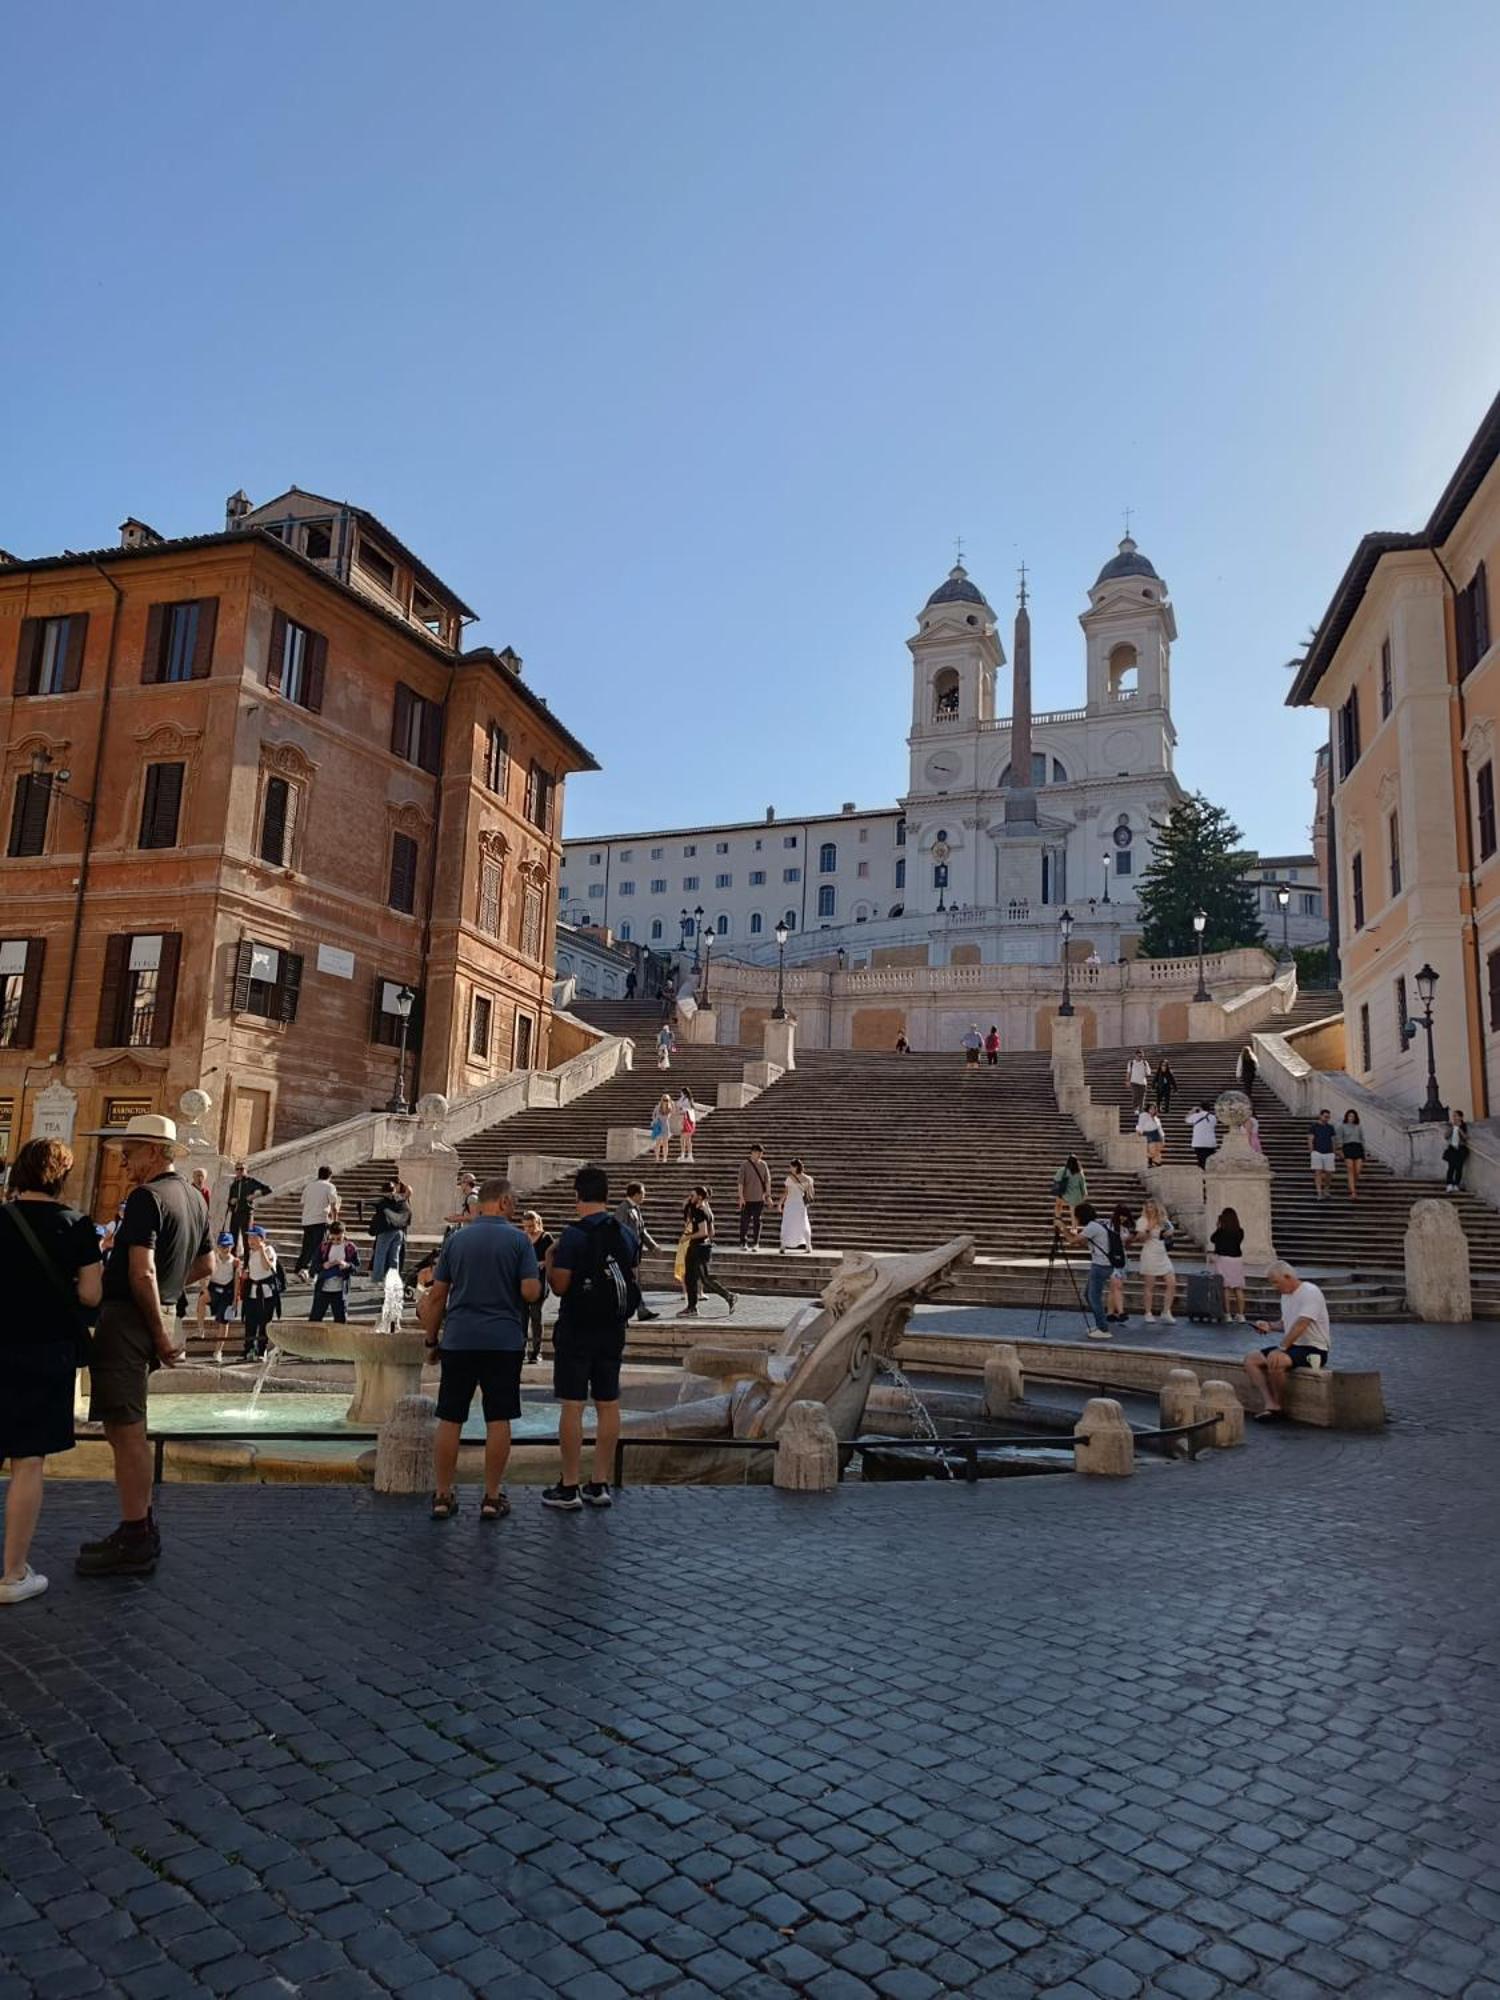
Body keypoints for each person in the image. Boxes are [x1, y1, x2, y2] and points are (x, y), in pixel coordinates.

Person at [75, 1114, 211, 1578]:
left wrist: (155, 1328)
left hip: (129, 1321)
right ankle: (138, 1524)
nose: (125, 1161)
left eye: (130, 1152)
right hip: (153, 1315)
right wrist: (169, 1300)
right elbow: (206, 1264)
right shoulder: (194, 1197)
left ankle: (136, 1534)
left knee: (126, 1428)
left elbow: (142, 1272)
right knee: (125, 1424)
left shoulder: (145, 1198)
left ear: (155, 1152)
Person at [0, 1140, 104, 1605]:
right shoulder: (76, 1225)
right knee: (28, 1462)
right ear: (61, 1176)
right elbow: (91, 1296)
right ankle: (13, 1573)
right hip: (45, 1352)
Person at [420, 1176, 541, 1520]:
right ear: (502, 1202)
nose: (515, 1207)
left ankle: (443, 1494)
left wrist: (432, 1340)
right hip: (503, 1341)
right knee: (499, 1418)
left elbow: (437, 1296)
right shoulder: (519, 1241)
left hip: (459, 1338)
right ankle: (491, 1496)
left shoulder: (457, 1241)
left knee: (450, 1417)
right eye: (513, 1201)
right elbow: (531, 1292)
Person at [546, 1163, 642, 1509]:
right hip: (613, 1328)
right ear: (606, 1195)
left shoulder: (573, 1236)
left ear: (577, 1196)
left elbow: (560, 1286)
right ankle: (599, 1482)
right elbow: (631, 1277)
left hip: (577, 1327)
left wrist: (548, 1260)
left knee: (573, 1405)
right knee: (608, 1403)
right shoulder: (625, 1234)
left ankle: (569, 1485)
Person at [1245, 1262, 1331, 1421]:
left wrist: (1281, 1348)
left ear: (1288, 1277)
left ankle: (1278, 1406)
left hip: (1314, 1349)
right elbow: (1287, 1323)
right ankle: (1269, 1402)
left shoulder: (1310, 1292)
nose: (1273, 1286)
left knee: (1277, 1359)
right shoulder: (1286, 1295)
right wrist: (1269, 1326)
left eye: (1275, 1282)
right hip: (1294, 1346)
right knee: (1251, 1359)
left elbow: (1301, 1324)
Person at [679, 1184, 736, 1316]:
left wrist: (687, 1237)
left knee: (705, 1279)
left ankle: (729, 1296)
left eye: (692, 1195)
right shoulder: (706, 1209)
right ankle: (692, 1307)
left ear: (699, 1197)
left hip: (699, 1248)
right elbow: (712, 1232)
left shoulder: (700, 1212)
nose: (689, 1197)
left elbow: (704, 1232)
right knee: (690, 1277)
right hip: (699, 1247)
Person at [613, 1182, 662, 1322]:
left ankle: (640, 1310)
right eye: (643, 1194)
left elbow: (642, 1231)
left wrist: (652, 1246)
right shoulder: (623, 1209)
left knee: (634, 1282)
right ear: (635, 1194)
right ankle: (632, 1310)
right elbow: (617, 1232)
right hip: (626, 1254)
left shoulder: (636, 1209)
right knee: (630, 1283)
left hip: (634, 1253)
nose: (644, 1197)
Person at [1065, 1202, 1114, 1339]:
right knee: (1088, 1295)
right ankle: (1100, 1324)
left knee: (1094, 1298)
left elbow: (1072, 1241)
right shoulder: (1097, 1225)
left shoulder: (1092, 1227)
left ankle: (1103, 1329)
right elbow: (1083, 1242)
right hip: (1102, 1264)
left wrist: (1062, 1228)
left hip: (1100, 1266)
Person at [240, 1227, 281, 1360]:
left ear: (261, 1239)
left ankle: (261, 1350)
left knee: (264, 1322)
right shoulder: (251, 1253)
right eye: (249, 1238)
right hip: (252, 1292)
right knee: (250, 1322)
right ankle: (249, 1349)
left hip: (266, 1293)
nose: (250, 1241)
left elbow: (266, 1267)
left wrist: (262, 1249)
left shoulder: (269, 1250)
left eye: (253, 1237)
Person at [520, 1210, 556, 1359]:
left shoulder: (546, 1238)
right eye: (526, 1226)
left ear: (537, 1223)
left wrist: (543, 1263)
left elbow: (555, 1256)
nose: (529, 1229)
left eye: (531, 1226)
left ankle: (536, 1351)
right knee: (522, 1317)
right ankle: (520, 1350)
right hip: (523, 1280)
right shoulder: (522, 1238)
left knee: (536, 1316)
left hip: (539, 1280)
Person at [1134, 1201, 1177, 1323]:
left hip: (1162, 1253)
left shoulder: (1163, 1220)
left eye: (1152, 1207)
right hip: (1150, 1253)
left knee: (1172, 1282)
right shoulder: (1142, 1220)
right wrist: (1149, 1229)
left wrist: (1167, 1231)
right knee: (1149, 1285)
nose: (1149, 1209)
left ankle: (1166, 1311)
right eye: (1147, 1207)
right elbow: (1140, 1238)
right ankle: (1148, 1312)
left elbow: (1171, 1230)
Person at [295, 1165, 340, 1280]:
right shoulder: (330, 1187)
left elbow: (303, 1202)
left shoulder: (309, 1186)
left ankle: (300, 1269)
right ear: (330, 1176)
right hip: (320, 1220)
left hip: (307, 1220)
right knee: (319, 1248)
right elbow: (334, 1206)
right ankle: (312, 1273)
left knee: (307, 1247)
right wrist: (335, 1221)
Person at [310, 1223, 358, 1323]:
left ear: (344, 1235)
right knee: (315, 1318)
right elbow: (313, 1267)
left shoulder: (350, 1248)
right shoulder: (323, 1247)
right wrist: (323, 1265)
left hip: (340, 1290)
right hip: (323, 1289)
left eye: (339, 1239)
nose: (335, 1242)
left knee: (340, 1319)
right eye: (332, 1239)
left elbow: (356, 1267)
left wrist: (347, 1265)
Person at [224, 1160, 271, 1257]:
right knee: (233, 1240)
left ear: (246, 1170)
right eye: (237, 1169)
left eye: (242, 1169)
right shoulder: (234, 1184)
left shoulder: (251, 1181)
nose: (240, 1171)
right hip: (235, 1214)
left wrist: (254, 1196)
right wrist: (231, 1202)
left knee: (247, 1241)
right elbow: (229, 1201)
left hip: (246, 1214)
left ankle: (246, 1265)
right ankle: (234, 1264)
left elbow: (268, 1189)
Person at [369, 1179, 412, 1285]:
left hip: (386, 1231)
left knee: (380, 1255)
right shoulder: (401, 1199)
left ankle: (377, 1279)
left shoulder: (384, 1202)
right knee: (394, 1257)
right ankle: (393, 1280)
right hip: (399, 1231)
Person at [1210, 1207, 1248, 1323]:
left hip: (1223, 1259)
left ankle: (1227, 1314)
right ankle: (1241, 1315)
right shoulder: (1240, 1231)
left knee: (1225, 1288)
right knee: (1238, 1288)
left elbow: (1213, 1239)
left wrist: (1218, 1227)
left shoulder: (1221, 1231)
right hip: (1236, 1259)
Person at [1105, 1202, 1134, 1325]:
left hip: (1121, 1258)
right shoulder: (1109, 1225)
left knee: (1114, 1287)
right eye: (1121, 1215)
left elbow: (1126, 1244)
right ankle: (1121, 1312)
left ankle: (1110, 1313)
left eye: (1125, 1216)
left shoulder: (1124, 1228)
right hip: (1111, 1258)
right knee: (1117, 1286)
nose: (1123, 1218)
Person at [738, 1144, 772, 1249]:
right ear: (752, 1152)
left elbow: (767, 1181)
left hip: (759, 1198)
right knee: (745, 1221)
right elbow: (740, 1183)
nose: (760, 1155)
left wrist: (768, 1196)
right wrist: (741, 1197)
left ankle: (756, 1243)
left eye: (761, 1153)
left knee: (757, 1221)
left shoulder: (763, 1165)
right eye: (758, 1152)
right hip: (747, 1198)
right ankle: (743, 1242)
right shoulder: (744, 1165)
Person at [779, 1159, 815, 1254]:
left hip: (790, 1204)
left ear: (795, 1167)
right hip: (801, 1205)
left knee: (787, 1224)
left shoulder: (790, 1179)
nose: (790, 1168)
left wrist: (780, 1203)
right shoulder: (809, 1179)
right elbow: (811, 1193)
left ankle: (783, 1245)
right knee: (804, 1224)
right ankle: (808, 1245)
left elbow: (786, 1193)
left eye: (791, 1166)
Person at [206, 1234, 240, 1327]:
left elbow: (237, 1282)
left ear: (232, 1246)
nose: (226, 1249)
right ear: (218, 1246)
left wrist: (235, 1299)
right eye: (223, 1246)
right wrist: (204, 1289)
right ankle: (201, 1330)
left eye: (228, 1246)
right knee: (202, 1300)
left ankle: (221, 1342)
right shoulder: (213, 1258)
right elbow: (205, 1275)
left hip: (226, 1291)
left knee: (224, 1320)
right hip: (213, 1288)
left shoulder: (235, 1262)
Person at [1308, 1107, 1338, 1201]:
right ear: (1320, 1116)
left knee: (1329, 1173)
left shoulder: (1330, 1127)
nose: (1327, 1118)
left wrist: (1334, 1152)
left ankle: (1326, 1189)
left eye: (1328, 1117)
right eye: (1325, 1116)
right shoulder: (1314, 1126)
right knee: (1318, 1172)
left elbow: (1333, 1140)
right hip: (1317, 1152)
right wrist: (1311, 1150)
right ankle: (1319, 1192)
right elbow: (1310, 1138)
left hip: (1329, 1152)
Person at [1051, 1154, 1087, 1225]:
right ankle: (1074, 1228)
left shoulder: (1062, 1170)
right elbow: (1082, 1185)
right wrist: (1084, 1194)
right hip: (1076, 1195)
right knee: (1073, 1212)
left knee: (1058, 1203)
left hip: (1064, 1194)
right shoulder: (1079, 1172)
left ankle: (1058, 1218)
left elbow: (1056, 1180)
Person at [1339, 1109, 1365, 1200]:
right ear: (1347, 1117)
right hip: (1347, 1147)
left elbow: (1362, 1139)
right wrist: (1340, 1151)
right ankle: (1353, 1192)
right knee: (1350, 1169)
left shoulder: (1358, 1127)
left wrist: (1364, 1151)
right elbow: (1340, 1139)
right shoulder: (1342, 1126)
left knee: (1357, 1170)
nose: (1351, 1118)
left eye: (1353, 1116)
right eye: (1350, 1116)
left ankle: (1351, 1184)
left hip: (1358, 1147)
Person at [1186, 1103, 1218, 1171]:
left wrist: (1192, 1111)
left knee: (1201, 1160)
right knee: (1208, 1160)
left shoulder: (1195, 1116)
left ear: (1201, 1108)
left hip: (1198, 1142)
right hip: (1210, 1143)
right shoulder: (1213, 1117)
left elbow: (1187, 1120)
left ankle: (1202, 1174)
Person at [1444, 1112, 1469, 1193]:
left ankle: (1456, 1184)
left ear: (1461, 1117)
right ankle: (1449, 1184)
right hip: (1452, 1149)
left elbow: (1465, 1137)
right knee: (1451, 1167)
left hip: (1460, 1148)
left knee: (1459, 1168)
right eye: (1453, 1116)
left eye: (1456, 1116)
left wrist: (1459, 1128)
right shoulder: (1451, 1126)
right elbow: (1446, 1136)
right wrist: (1452, 1127)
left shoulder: (1464, 1126)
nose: (1454, 1118)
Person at [676, 1087, 699, 1163]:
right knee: (684, 1139)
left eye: (681, 1092)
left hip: (688, 1120)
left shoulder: (688, 1100)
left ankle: (688, 1156)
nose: (680, 1094)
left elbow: (684, 1108)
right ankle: (685, 1155)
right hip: (685, 1120)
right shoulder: (684, 1099)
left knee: (685, 1139)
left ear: (684, 1093)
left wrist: (681, 1109)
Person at [650, 1093, 675, 1165]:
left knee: (665, 1143)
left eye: (667, 1100)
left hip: (666, 1126)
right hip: (658, 1125)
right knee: (658, 1143)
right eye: (664, 1100)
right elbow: (653, 1115)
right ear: (661, 1100)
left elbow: (673, 1112)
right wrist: (655, 1120)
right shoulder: (658, 1107)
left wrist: (671, 1103)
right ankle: (657, 1158)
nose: (665, 1101)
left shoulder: (669, 1108)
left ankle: (665, 1158)